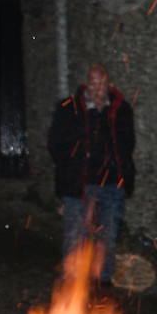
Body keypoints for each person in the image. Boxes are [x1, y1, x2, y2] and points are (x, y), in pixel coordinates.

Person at [47, 62, 135, 285]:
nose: (97, 90)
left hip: (112, 183)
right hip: (77, 183)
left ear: (109, 84)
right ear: (86, 85)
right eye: (93, 84)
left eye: (102, 84)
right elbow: (57, 145)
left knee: (108, 235)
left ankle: (102, 284)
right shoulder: (68, 108)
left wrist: (120, 173)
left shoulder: (121, 109)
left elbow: (127, 145)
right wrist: (72, 171)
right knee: (76, 235)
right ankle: (73, 284)